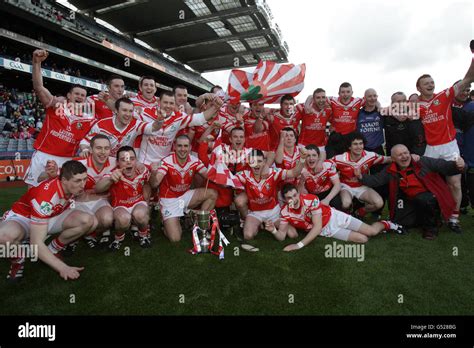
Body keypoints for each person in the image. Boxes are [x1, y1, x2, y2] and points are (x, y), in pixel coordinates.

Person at [0, 160, 97, 281]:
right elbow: (36, 244)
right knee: (3, 237)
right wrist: (63, 268)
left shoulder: (74, 181)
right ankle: (18, 259)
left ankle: (53, 249)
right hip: (24, 218)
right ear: (64, 180)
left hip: (50, 216)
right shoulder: (45, 197)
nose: (83, 185)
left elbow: (98, 186)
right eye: (78, 181)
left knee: (89, 221)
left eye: (84, 179)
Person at [414, 47, 474, 232]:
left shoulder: (444, 96)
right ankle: (435, 214)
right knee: (431, 185)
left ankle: (454, 219)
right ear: (418, 88)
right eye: (426, 83)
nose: (430, 85)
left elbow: (468, 79)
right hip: (431, 150)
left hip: (450, 148)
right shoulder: (414, 105)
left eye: (432, 82)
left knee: (454, 183)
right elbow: (392, 112)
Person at [358, 144, 465, 240]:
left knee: (426, 200)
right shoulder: (390, 170)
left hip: (429, 196)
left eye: (406, 153)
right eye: (400, 155)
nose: (404, 156)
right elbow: (376, 180)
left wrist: (458, 166)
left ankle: (431, 229)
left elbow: (444, 166)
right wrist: (360, 176)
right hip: (408, 199)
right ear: (393, 159)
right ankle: (422, 220)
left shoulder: (422, 161)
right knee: (402, 223)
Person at [24, 49, 96, 187]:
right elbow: (39, 87)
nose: (80, 97)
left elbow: (87, 140)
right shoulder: (56, 106)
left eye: (83, 95)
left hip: (66, 160)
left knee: (62, 197)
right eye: (77, 94)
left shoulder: (89, 120)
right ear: (69, 96)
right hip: (43, 155)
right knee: (33, 192)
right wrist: (36, 63)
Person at [275, 184, 404, 251]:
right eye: (289, 198)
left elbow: (317, 226)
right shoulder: (285, 212)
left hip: (334, 217)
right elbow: (281, 236)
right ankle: (380, 226)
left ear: (298, 194)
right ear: (285, 200)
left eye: (294, 195)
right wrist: (272, 229)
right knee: (363, 239)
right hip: (327, 230)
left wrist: (299, 245)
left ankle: (387, 224)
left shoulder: (311, 199)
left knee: (372, 232)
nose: (293, 199)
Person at [152, 135, 218, 242]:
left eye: (185, 146)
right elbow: (155, 184)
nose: (183, 149)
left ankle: (200, 226)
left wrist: (221, 166)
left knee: (212, 194)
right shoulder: (166, 161)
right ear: (174, 146)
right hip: (169, 200)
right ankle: (166, 222)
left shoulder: (194, 160)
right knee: (175, 239)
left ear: (190, 147)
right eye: (180, 146)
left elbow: (209, 176)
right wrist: (154, 173)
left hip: (184, 197)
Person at [234, 148, 307, 241]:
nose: (256, 164)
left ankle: (267, 226)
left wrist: (302, 159)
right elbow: (226, 182)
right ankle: (255, 224)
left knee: (293, 234)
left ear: (264, 162)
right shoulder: (243, 175)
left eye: (259, 161)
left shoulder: (273, 172)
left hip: (274, 212)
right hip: (255, 213)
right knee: (248, 236)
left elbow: (294, 173)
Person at [138, 91, 223, 166]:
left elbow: (200, 118)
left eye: (171, 103)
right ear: (159, 102)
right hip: (144, 162)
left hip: (164, 164)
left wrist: (216, 107)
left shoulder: (179, 117)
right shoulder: (144, 113)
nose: (168, 106)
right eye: (165, 102)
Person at [95, 146, 152, 249]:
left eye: (132, 158)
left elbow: (150, 183)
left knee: (141, 214)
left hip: (138, 203)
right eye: (124, 160)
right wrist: (111, 180)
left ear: (136, 160)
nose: (128, 162)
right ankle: (118, 239)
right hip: (120, 206)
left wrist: (147, 200)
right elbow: (98, 189)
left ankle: (143, 235)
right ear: (117, 162)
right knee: (124, 219)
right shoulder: (114, 173)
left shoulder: (143, 170)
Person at [80, 97, 163, 157]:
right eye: (124, 110)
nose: (128, 114)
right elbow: (85, 142)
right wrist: (85, 150)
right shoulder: (101, 125)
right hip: (103, 161)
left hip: (123, 162)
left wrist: (160, 119)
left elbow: (154, 127)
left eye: (130, 111)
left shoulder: (135, 124)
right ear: (116, 110)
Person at [332, 132, 391, 217]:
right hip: (346, 186)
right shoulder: (340, 158)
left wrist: (406, 157)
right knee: (346, 203)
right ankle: (348, 216)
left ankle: (359, 213)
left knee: (379, 203)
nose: (359, 147)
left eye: (361, 143)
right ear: (349, 146)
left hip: (362, 186)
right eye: (355, 144)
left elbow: (387, 159)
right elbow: (326, 165)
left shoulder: (370, 155)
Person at [298, 144, 342, 210]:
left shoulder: (328, 165)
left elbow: (337, 185)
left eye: (314, 155)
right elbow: (303, 194)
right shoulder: (301, 170)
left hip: (328, 192)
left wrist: (327, 200)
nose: (311, 158)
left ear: (318, 157)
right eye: (308, 156)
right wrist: (301, 181)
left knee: (337, 203)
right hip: (312, 195)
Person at [297, 88, 332, 164]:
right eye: (318, 98)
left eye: (323, 97)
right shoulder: (304, 108)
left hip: (320, 146)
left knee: (320, 167)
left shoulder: (328, 110)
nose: (321, 100)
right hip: (304, 145)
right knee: (302, 169)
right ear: (313, 99)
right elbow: (290, 110)